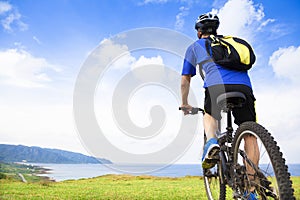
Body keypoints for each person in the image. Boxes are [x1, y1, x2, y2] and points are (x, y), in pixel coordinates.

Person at [180, 13, 259, 199]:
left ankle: (212, 142)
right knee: (249, 135)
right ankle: (251, 190)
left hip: (216, 87)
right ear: (216, 29)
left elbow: (185, 79)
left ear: (199, 32)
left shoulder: (195, 46)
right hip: (244, 88)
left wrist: (184, 104)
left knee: (210, 114)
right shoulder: (230, 44)